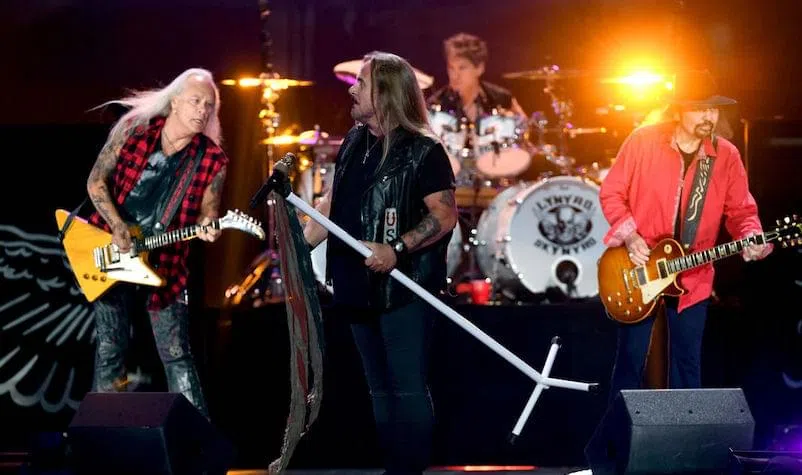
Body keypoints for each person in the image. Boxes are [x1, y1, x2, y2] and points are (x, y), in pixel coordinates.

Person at [303, 51, 458, 474]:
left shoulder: (424, 150)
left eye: (362, 83)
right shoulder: (355, 140)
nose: (352, 90)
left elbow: (444, 216)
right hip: (356, 284)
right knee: (379, 390)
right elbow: (333, 202)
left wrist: (397, 249)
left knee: (406, 387)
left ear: (386, 92)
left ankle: (410, 469)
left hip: (403, 287)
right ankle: (395, 468)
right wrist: (303, 242)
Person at [598, 70, 771, 399]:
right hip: (638, 268)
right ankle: (619, 433)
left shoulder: (725, 155)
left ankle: (686, 433)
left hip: (693, 276)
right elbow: (611, 193)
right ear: (678, 110)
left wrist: (752, 237)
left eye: (713, 109)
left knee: (687, 366)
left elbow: (742, 211)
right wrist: (631, 237)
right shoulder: (643, 141)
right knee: (630, 365)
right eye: (700, 108)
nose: (709, 117)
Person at [85, 68, 228, 420]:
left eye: (209, 106)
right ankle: (104, 433)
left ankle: (198, 438)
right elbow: (95, 182)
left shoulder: (212, 159)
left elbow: (208, 212)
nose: (202, 110)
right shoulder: (135, 130)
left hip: (167, 261)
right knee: (110, 347)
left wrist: (209, 227)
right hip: (111, 249)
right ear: (174, 102)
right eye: (195, 101)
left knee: (177, 353)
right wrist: (117, 225)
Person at [427, 32, 526, 124]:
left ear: (479, 68)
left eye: (462, 68)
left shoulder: (501, 99)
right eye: (451, 68)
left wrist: (514, 120)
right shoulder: (436, 103)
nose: (454, 75)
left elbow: (524, 126)